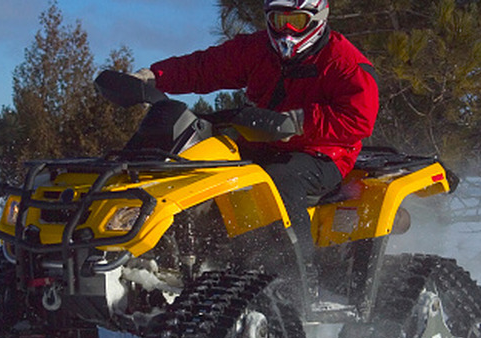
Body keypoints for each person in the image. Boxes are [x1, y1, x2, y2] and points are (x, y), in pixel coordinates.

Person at [134, 0, 379, 270]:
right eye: (278, 20)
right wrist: (155, 77)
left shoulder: (344, 62)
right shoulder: (256, 49)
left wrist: (299, 123)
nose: (286, 31)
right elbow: (207, 67)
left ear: (317, 19)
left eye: (296, 21)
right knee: (202, 169)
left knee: (279, 182)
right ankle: (180, 260)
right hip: (259, 142)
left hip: (322, 154)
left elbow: (358, 119)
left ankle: (296, 279)